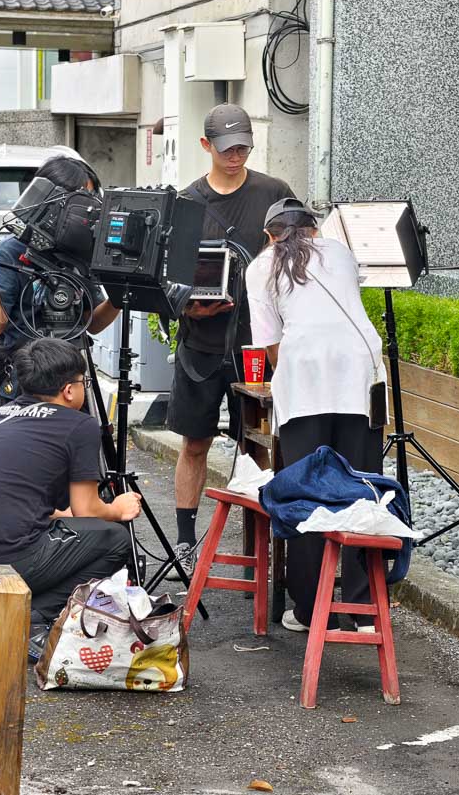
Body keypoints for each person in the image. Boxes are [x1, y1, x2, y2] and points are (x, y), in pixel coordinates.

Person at [0, 338, 141, 633]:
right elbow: (86, 509)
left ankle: (10, 608)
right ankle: (33, 617)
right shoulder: (79, 425)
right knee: (114, 539)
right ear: (69, 390)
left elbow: (16, 499)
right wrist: (117, 509)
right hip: (5, 559)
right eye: (84, 382)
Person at [245, 198, 387, 632]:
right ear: (313, 228)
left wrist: (283, 378)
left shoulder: (261, 267)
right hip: (361, 376)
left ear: (270, 235)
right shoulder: (340, 253)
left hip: (305, 379)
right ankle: (362, 608)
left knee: (306, 489)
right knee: (363, 487)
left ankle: (309, 609)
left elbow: (270, 342)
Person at [165, 104, 291, 576]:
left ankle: (253, 549)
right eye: (226, 148)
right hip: (200, 343)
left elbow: (302, 248)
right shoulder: (186, 203)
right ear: (206, 147)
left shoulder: (274, 194)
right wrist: (187, 306)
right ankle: (183, 540)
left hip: (256, 344)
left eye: (243, 147)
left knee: (254, 445)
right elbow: (167, 278)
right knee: (194, 442)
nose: (235, 156)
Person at [0, 154, 120, 405]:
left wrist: (120, 296)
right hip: (23, 380)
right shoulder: (12, 250)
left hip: (71, 381)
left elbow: (91, 323)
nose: (89, 210)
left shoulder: (80, 256)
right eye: (81, 200)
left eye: (93, 199)